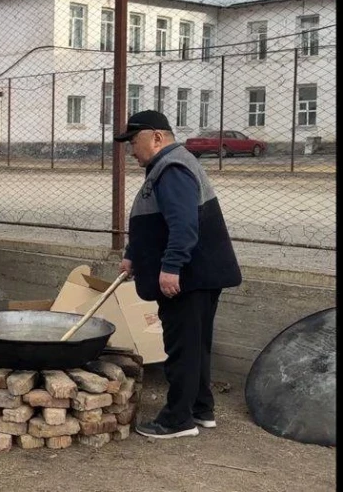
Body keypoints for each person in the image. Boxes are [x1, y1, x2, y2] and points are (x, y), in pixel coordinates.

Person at [113, 110, 242, 439]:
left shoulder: (172, 168)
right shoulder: (168, 166)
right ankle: (201, 409)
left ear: (157, 137)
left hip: (188, 277)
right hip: (198, 275)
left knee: (182, 348)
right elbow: (156, 222)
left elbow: (183, 225)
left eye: (134, 141)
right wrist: (132, 255)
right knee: (196, 345)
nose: (131, 149)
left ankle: (177, 420)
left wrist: (171, 268)